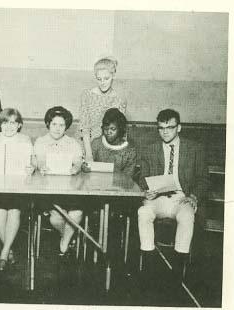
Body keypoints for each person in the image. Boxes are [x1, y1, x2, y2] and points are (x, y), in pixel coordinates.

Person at [138, 109, 209, 287]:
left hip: (181, 197)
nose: (165, 131)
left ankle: (178, 269)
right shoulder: (149, 150)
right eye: (161, 128)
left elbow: (203, 178)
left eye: (170, 127)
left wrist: (194, 196)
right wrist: (147, 190)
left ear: (179, 127)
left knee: (187, 216)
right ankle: (148, 263)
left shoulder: (194, 149)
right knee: (143, 212)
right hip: (158, 198)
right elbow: (142, 178)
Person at [0, 108, 34, 271]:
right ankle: (8, 252)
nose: (8, 127)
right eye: (4, 123)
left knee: (15, 211)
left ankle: (4, 253)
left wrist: (31, 167)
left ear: (19, 125)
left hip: (18, 186)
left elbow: (33, 162)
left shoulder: (25, 139)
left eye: (12, 123)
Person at [34, 106, 83, 256]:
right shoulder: (40, 141)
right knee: (56, 218)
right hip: (49, 191)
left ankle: (64, 243)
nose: (57, 128)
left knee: (76, 213)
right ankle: (68, 238)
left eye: (61, 125)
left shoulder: (73, 143)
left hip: (70, 190)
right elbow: (37, 161)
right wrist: (41, 167)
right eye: (54, 124)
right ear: (48, 124)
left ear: (66, 127)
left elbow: (78, 162)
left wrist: (76, 168)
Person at [78, 57, 127, 162]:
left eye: (106, 78)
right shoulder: (87, 95)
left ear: (113, 75)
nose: (102, 82)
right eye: (99, 79)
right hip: (87, 146)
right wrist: (89, 154)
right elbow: (85, 127)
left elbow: (119, 130)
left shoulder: (120, 99)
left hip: (109, 148)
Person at [87, 108, 136, 177]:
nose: (108, 132)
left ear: (120, 129)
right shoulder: (97, 143)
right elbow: (89, 166)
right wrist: (85, 167)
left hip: (119, 185)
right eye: (106, 129)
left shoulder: (129, 150)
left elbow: (128, 176)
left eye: (113, 129)